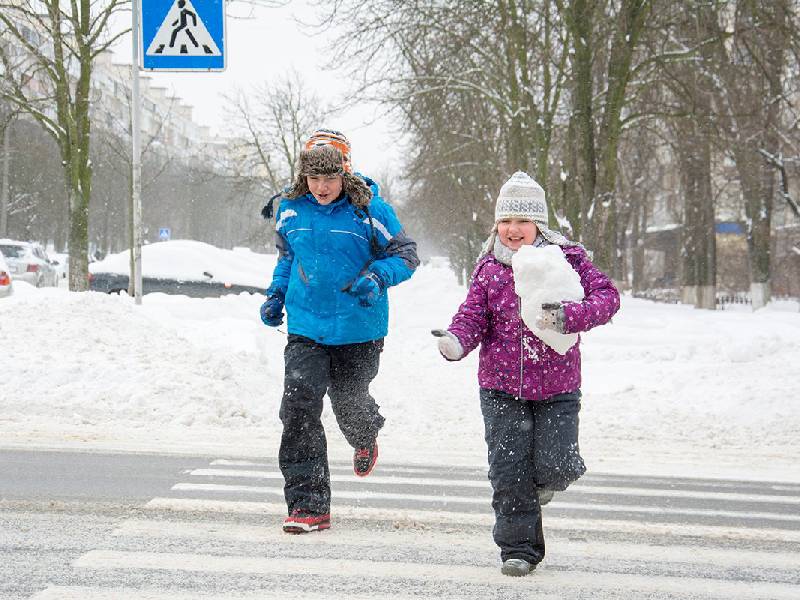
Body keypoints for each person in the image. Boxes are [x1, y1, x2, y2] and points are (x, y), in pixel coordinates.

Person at [433, 171, 620, 576]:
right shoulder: (488, 269)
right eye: (506, 221)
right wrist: (456, 342)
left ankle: (541, 486)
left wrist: (572, 316)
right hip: (501, 387)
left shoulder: (568, 260)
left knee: (558, 465)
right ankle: (518, 549)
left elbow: (608, 297)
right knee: (508, 469)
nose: (513, 229)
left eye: (522, 221)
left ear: (539, 224)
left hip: (558, 386)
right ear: (496, 224)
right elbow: (472, 318)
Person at [260, 129, 419, 535]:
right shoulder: (292, 209)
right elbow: (288, 257)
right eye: (314, 178)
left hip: (358, 326)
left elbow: (406, 254)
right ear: (303, 177)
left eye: (330, 178)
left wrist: (377, 276)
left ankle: (365, 433)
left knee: (349, 401)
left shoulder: (370, 210)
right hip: (306, 326)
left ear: (345, 173)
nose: (322, 186)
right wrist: (277, 294)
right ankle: (308, 506)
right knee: (297, 410)